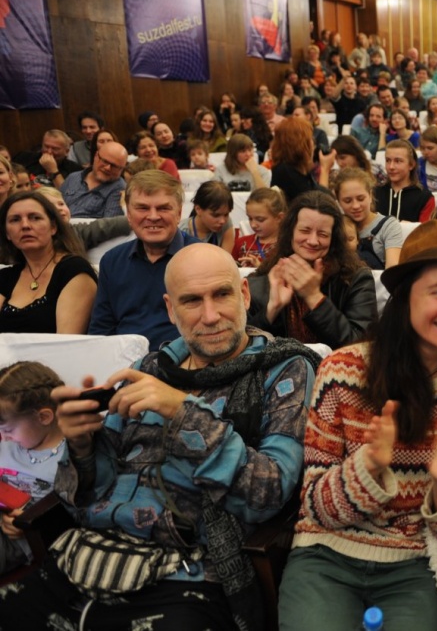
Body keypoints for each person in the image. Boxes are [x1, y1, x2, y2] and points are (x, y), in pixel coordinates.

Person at [0, 244, 320, 631]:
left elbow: (269, 494)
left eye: (222, 294)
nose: (211, 315)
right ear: (170, 309)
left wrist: (183, 412)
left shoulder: (282, 370)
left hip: (190, 572)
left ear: (244, 294)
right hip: (89, 555)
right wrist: (82, 444)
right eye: (191, 301)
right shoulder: (150, 368)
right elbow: (86, 497)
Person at [277, 219, 437, 631]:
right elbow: (315, 504)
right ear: (405, 298)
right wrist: (367, 466)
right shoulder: (343, 372)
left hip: (415, 563)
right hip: (326, 554)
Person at [247, 191, 376, 349]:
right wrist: (272, 309)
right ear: (291, 232)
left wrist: (314, 297)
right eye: (305, 231)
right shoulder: (263, 279)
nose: (313, 241)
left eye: (323, 234)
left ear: (333, 239)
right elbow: (242, 348)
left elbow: (360, 346)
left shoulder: (357, 279)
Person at [88, 170, 201, 349]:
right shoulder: (112, 261)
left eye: (163, 208)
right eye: (142, 208)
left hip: (185, 360)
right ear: (129, 215)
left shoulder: (203, 258)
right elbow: (101, 331)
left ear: (179, 213)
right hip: (123, 360)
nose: (153, 216)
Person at [0, 362, 65, 575]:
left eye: (8, 430)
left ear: (43, 417)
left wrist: (25, 524)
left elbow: (71, 515)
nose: (4, 437)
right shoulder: (10, 444)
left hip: (21, 538)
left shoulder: (72, 457)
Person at [0, 191, 97, 334]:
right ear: (7, 233)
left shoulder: (73, 271)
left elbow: (66, 342)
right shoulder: (6, 277)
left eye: (35, 218)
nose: (25, 225)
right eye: (15, 220)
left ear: (53, 227)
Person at [335, 167, 402, 270]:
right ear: (338, 201)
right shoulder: (335, 226)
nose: (356, 206)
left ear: (370, 195)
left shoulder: (389, 226)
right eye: (348, 201)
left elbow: (392, 271)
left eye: (361, 199)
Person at [58, 140, 128, 219]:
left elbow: (109, 225)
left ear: (122, 169)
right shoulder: (73, 177)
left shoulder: (120, 190)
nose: (107, 168)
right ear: (96, 156)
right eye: (105, 161)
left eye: (114, 166)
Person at [374, 139, 435, 222]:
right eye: (388, 160)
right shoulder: (375, 193)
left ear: (411, 165)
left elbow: (427, 229)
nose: (391, 167)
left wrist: (409, 227)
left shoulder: (424, 198)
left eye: (398, 161)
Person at [271, 117, 322, 202]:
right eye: (310, 139)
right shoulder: (285, 171)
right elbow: (317, 202)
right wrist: (325, 169)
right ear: (300, 143)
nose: (313, 143)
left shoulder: (299, 169)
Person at [234, 187, 286, 268]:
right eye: (250, 218)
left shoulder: (287, 246)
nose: (253, 225)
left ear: (279, 218)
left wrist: (260, 268)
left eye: (260, 219)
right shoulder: (240, 243)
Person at [180, 180, 235, 254]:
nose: (222, 221)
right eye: (215, 215)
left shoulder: (226, 223)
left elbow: (226, 258)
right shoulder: (181, 231)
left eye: (226, 214)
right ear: (198, 209)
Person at [13, 130, 81, 188]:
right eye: (46, 146)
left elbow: (69, 196)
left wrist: (53, 171)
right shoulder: (24, 158)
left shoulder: (75, 170)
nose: (49, 151)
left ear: (67, 151)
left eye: (55, 149)